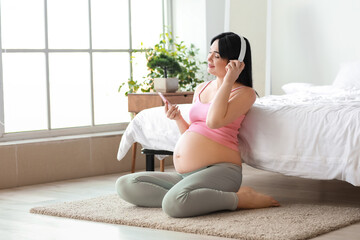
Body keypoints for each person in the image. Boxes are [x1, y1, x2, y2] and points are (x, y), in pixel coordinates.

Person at [116, 32, 280, 218]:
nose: (209, 58)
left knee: (173, 205)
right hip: (186, 175)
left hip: (221, 171)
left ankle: (240, 199)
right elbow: (195, 132)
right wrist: (178, 118)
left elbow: (213, 121)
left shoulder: (245, 93)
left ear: (234, 62)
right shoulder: (201, 88)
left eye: (216, 55)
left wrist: (228, 80)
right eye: (210, 52)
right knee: (125, 185)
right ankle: (191, 197)